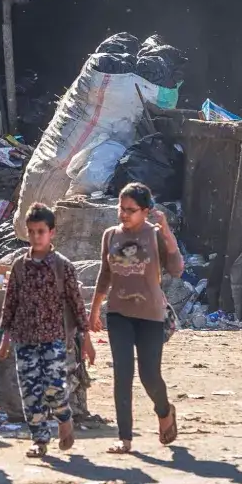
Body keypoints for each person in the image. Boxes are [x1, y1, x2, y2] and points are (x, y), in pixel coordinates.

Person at [89, 181, 184, 454]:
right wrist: (94, 309)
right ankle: (125, 437)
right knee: (122, 373)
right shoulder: (110, 235)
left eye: (131, 210)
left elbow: (177, 269)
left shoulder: (154, 236)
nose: (124, 214)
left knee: (149, 375)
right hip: (118, 313)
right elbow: (104, 274)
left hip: (150, 315)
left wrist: (166, 232)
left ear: (145, 211)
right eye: (121, 208)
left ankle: (165, 411)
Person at [0, 202, 96, 459]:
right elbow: (11, 302)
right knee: (30, 392)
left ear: (52, 232)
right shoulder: (20, 266)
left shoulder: (63, 267)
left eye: (41, 231)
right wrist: (5, 337)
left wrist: (85, 339)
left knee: (53, 388)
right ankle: (39, 439)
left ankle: (64, 417)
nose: (36, 236)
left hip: (54, 338)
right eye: (31, 231)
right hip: (24, 338)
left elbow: (76, 303)